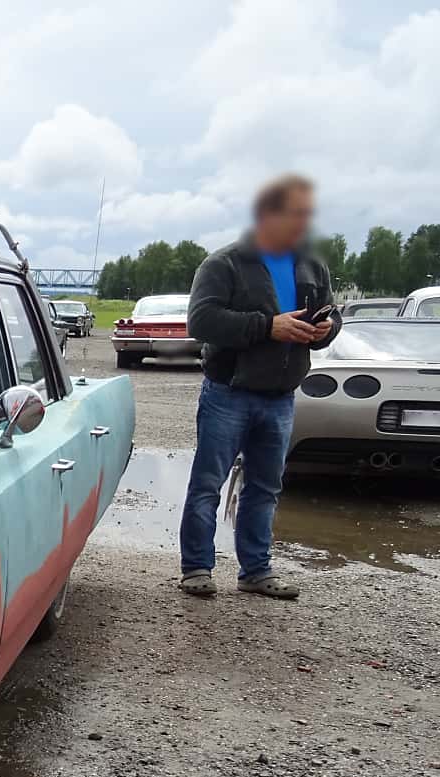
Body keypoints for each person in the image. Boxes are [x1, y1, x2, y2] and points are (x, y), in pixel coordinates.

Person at [180, 174, 341, 600]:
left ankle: (256, 571)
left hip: (280, 397)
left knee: (266, 488)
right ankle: (196, 567)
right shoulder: (225, 264)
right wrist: (268, 327)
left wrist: (326, 328)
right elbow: (201, 322)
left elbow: (332, 316)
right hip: (228, 393)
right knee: (207, 483)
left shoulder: (311, 264)